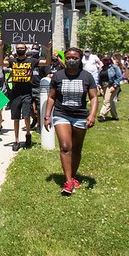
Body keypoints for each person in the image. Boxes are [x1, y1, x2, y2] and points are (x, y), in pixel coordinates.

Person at [44, 47, 98, 196]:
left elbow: (93, 97)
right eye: (68, 57)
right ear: (64, 58)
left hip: (80, 115)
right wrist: (47, 116)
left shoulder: (87, 77)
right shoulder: (58, 76)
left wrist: (92, 115)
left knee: (76, 149)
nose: (71, 60)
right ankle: (68, 182)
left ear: (80, 59)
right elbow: (51, 97)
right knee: (66, 146)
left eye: (75, 58)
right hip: (62, 114)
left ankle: (72, 175)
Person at [0, 40, 51, 152]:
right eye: (18, 48)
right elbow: (2, 63)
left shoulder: (32, 61)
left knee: (27, 116)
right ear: (16, 50)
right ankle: (16, 140)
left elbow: (46, 62)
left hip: (27, 92)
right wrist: (1, 48)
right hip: (16, 93)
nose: (20, 49)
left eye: (22, 48)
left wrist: (48, 49)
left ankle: (28, 134)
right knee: (16, 118)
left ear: (26, 50)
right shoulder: (12, 61)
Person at [98, 54, 122, 122]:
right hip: (104, 86)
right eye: (104, 60)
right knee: (110, 102)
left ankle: (102, 115)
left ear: (109, 60)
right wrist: (100, 87)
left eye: (106, 60)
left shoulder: (114, 67)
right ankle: (115, 116)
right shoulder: (101, 68)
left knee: (107, 101)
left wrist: (114, 86)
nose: (105, 61)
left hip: (111, 85)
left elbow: (119, 77)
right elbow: (99, 78)